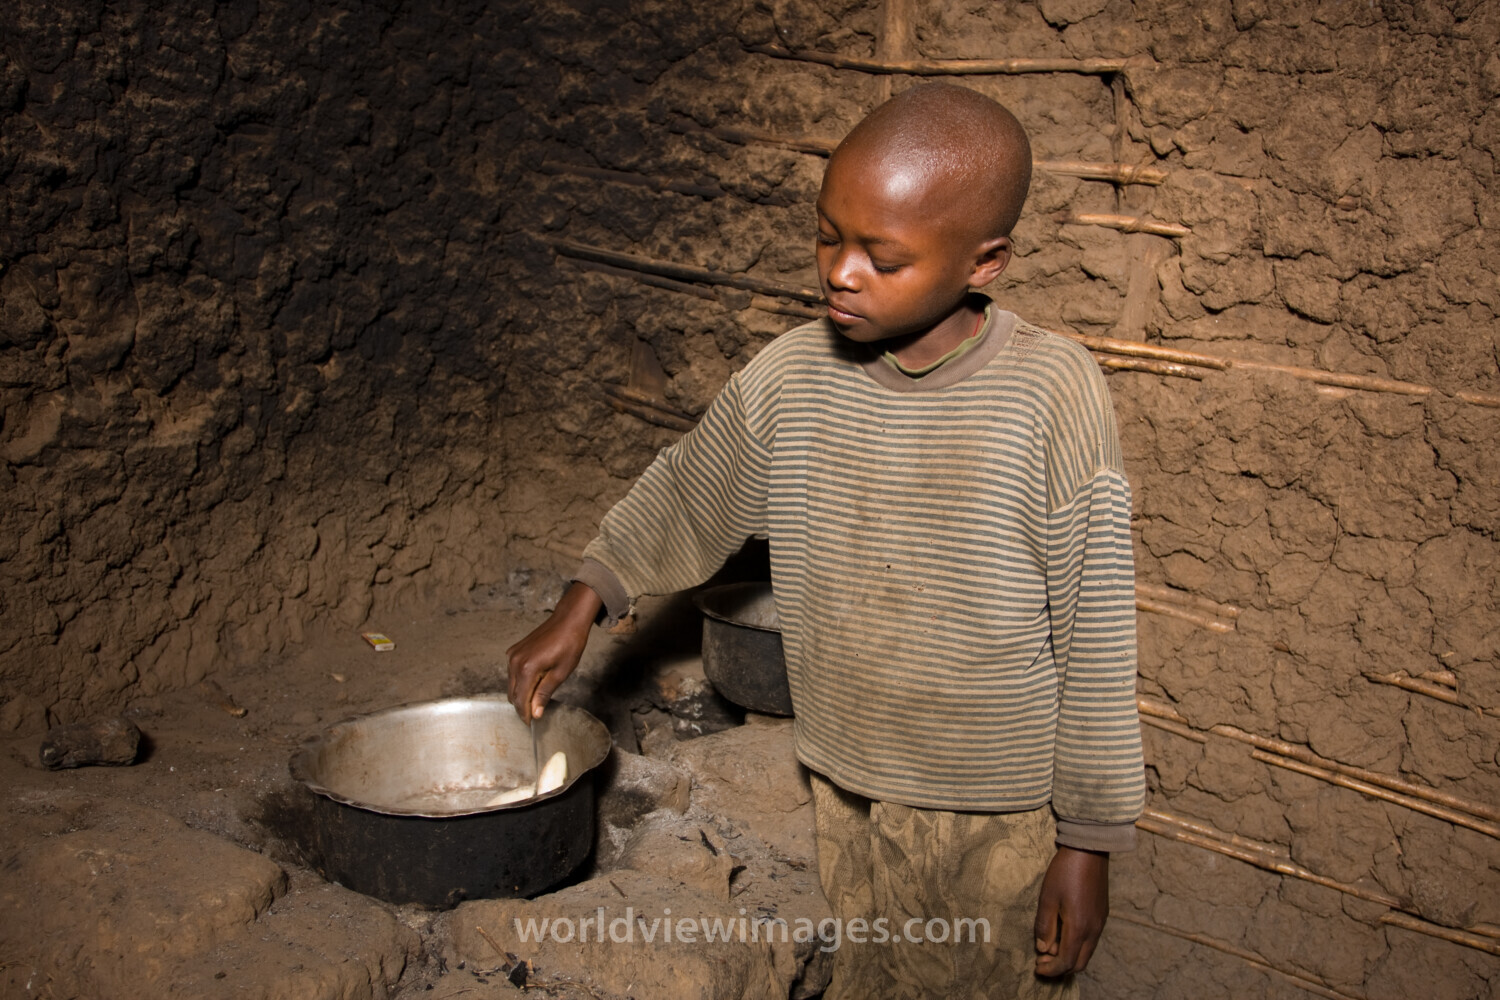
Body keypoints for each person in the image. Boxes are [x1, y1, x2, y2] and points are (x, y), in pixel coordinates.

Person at [507, 82, 1145, 999]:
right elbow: (692, 485)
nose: (841, 272)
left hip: (993, 810)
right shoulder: (795, 373)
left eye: (883, 257)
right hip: (848, 775)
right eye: (827, 236)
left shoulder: (1051, 393)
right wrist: (584, 602)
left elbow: (1096, 629)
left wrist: (1088, 841)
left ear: (986, 260)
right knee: (873, 978)